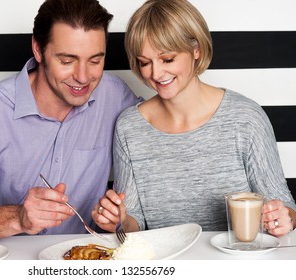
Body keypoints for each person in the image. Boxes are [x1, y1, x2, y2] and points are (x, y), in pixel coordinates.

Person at [0, 0, 140, 240]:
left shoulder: (115, 97)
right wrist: (17, 217)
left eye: (95, 61)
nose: (83, 77)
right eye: (67, 61)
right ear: (38, 50)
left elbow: (164, 121)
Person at [92, 0, 296, 237]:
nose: (155, 74)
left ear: (196, 49)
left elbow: (283, 204)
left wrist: (283, 218)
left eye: (167, 59)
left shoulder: (245, 118)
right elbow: (134, 220)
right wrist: (119, 220)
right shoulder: (129, 127)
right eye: (144, 62)